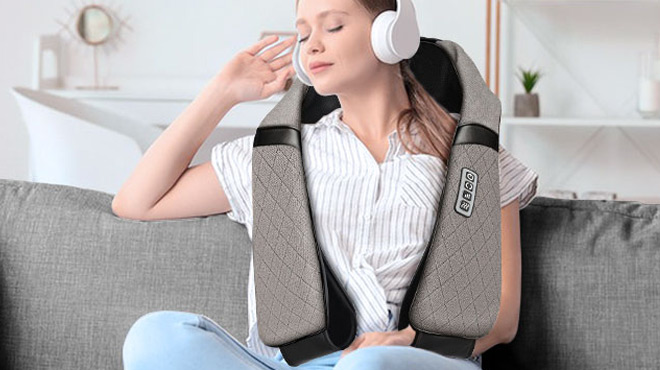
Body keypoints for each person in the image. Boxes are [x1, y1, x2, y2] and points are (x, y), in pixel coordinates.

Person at [115, 0, 539, 369]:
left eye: (333, 26)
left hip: (416, 359)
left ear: (391, 33)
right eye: (303, 33)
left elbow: (501, 318)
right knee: (154, 337)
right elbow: (138, 201)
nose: (312, 44)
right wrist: (222, 93)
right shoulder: (276, 159)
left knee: (370, 363)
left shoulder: (474, 160)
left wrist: (408, 340)